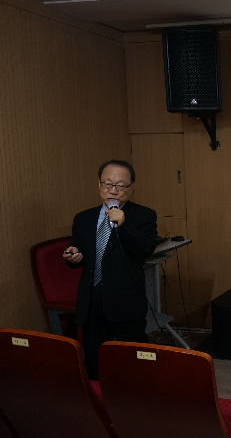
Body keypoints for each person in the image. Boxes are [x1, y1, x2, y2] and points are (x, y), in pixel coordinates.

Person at [63, 160, 157, 380]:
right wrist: (73, 255)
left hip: (125, 300)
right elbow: (78, 252)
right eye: (108, 184)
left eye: (121, 186)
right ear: (99, 185)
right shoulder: (83, 218)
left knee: (133, 362)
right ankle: (98, 395)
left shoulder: (144, 215)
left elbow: (146, 249)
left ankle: (135, 396)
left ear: (131, 187)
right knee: (95, 361)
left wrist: (123, 225)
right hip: (92, 298)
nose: (113, 191)